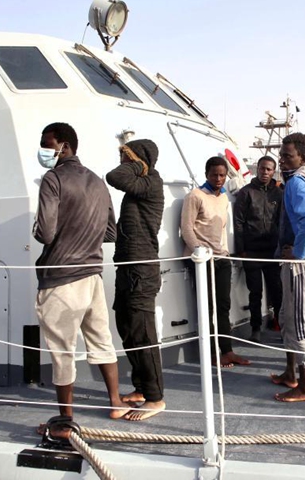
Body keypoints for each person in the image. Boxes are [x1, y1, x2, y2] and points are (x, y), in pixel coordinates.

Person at [33, 122, 129, 437]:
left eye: (47, 144)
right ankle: (116, 402)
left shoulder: (53, 179)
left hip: (61, 278)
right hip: (92, 276)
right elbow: (111, 232)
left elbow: (45, 233)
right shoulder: (98, 182)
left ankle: (65, 421)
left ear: (65, 146)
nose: (43, 150)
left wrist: (42, 229)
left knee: (62, 351)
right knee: (102, 340)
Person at [106, 139, 166, 421]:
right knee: (127, 327)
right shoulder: (139, 185)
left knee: (143, 333)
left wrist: (136, 164)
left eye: (126, 157)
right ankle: (141, 388)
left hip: (142, 269)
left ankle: (155, 398)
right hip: (128, 267)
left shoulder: (151, 181)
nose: (122, 162)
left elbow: (114, 177)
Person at [270, 133, 305, 402]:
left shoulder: (296, 183)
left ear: (302, 158)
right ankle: (291, 373)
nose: (282, 160)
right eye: (281, 155)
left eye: (287, 156)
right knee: (287, 315)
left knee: (297, 320)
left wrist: (298, 253)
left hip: (301, 264)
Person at [181, 157, 250, 367]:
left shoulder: (224, 198)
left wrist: (225, 252)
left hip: (221, 258)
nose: (218, 179)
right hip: (202, 259)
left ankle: (227, 350)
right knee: (207, 307)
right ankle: (211, 353)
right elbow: (186, 228)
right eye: (214, 175)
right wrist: (200, 251)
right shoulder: (195, 196)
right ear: (206, 174)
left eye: (222, 175)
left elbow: (221, 229)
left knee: (223, 306)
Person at [233, 155, 283, 343]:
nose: (265, 172)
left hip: (272, 251)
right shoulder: (246, 192)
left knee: (277, 291)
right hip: (251, 250)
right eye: (262, 168)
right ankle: (255, 328)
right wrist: (241, 249)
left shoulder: (279, 194)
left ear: (273, 171)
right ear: (258, 169)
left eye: (269, 169)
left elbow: (282, 221)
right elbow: (238, 222)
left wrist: (281, 246)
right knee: (255, 292)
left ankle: (281, 326)